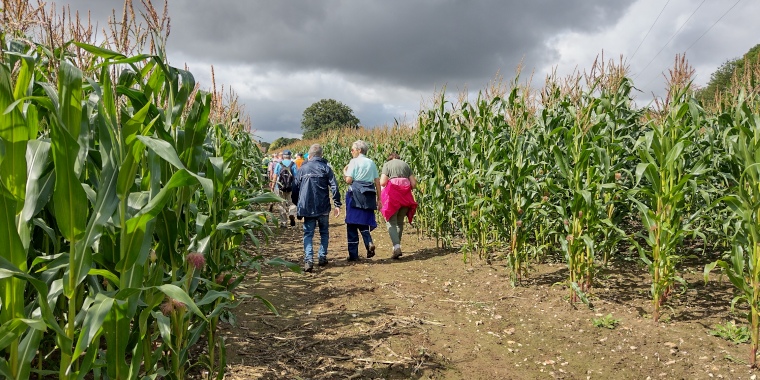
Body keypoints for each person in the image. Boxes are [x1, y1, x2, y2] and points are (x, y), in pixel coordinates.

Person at [291, 144, 342, 272]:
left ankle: (308, 260)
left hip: (307, 207)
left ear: (310, 155)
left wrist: (297, 203)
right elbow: (334, 187)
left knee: (308, 233)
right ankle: (322, 257)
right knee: (324, 232)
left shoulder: (302, 169)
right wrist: (337, 204)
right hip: (323, 206)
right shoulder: (326, 168)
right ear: (321, 155)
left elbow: (295, 188)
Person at [343, 140, 381, 261]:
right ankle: (368, 242)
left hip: (355, 193)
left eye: (353, 150)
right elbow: (377, 181)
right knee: (364, 221)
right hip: (369, 194)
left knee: (352, 223)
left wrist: (345, 172)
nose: (351, 152)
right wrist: (379, 198)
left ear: (359, 150)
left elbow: (349, 180)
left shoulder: (354, 162)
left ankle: (353, 255)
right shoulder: (371, 162)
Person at [379, 152, 418, 259]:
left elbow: (382, 182)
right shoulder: (406, 165)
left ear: (390, 158)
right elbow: (413, 184)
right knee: (400, 222)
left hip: (393, 197)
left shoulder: (387, 165)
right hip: (405, 197)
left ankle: (396, 247)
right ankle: (396, 246)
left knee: (391, 221)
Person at [273, 150, 298, 227]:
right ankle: (291, 213)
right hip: (291, 188)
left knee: (281, 204)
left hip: (280, 187)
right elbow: (296, 177)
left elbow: (275, 176)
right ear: (290, 156)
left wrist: (273, 185)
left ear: (283, 156)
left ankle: (283, 223)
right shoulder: (293, 164)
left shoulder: (278, 164)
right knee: (292, 203)